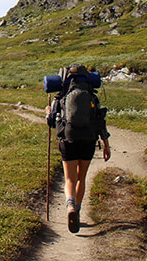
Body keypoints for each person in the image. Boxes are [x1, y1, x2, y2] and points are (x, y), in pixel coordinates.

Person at [46, 72, 111, 233]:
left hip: (69, 140)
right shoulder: (91, 97)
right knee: (81, 177)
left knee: (69, 178)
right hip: (88, 140)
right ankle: (78, 210)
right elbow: (100, 122)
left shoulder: (61, 97)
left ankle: (70, 206)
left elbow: (51, 122)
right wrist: (106, 145)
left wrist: (48, 112)